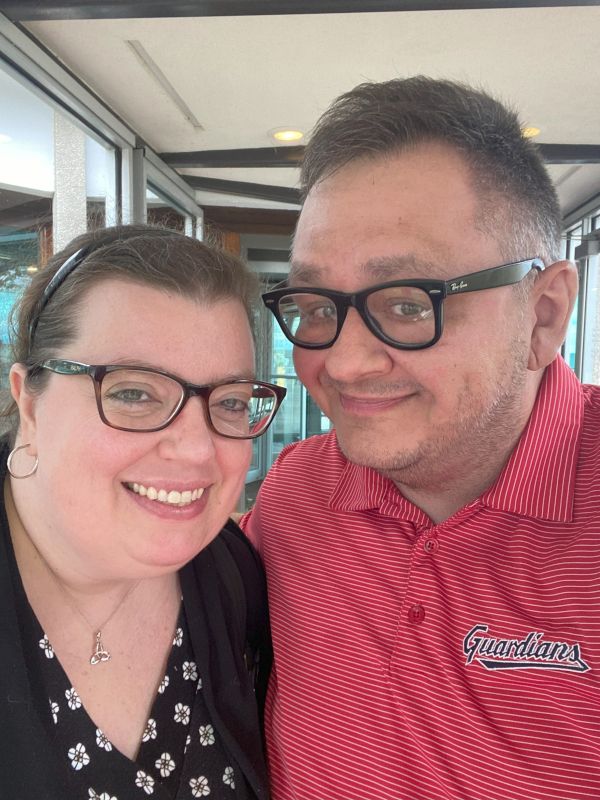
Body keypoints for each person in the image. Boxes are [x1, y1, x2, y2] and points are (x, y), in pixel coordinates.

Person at [242, 76, 600, 800]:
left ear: (543, 314)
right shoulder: (295, 492)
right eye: (316, 306)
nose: (342, 364)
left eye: (408, 303)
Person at [0, 224, 285, 799]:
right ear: (30, 403)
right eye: (133, 393)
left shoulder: (234, 578)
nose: (198, 449)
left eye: (230, 402)